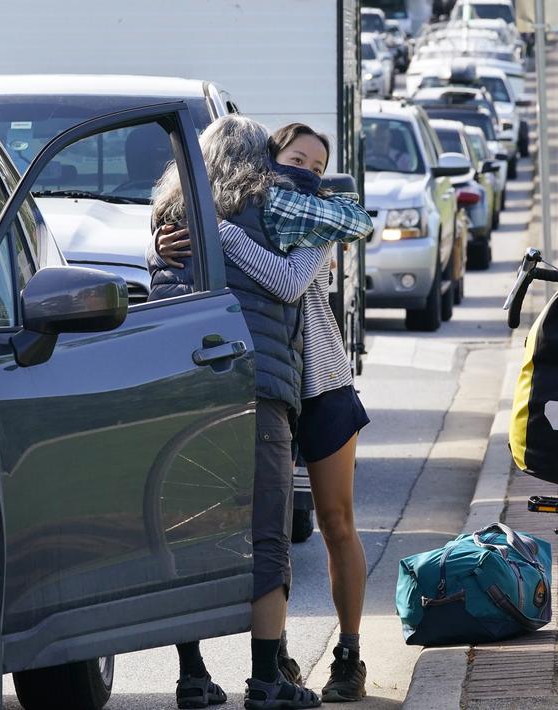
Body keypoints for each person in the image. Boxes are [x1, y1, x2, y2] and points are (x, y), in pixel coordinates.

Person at [147, 115, 372, 709]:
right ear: (271, 163)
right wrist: (170, 237)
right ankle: (277, 661)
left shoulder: (311, 216)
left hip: (317, 379)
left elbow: (290, 284)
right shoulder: (258, 205)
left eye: (318, 168)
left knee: (333, 519)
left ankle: (348, 652)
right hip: (266, 378)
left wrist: (214, 231)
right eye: (296, 161)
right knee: (254, 526)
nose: (306, 173)